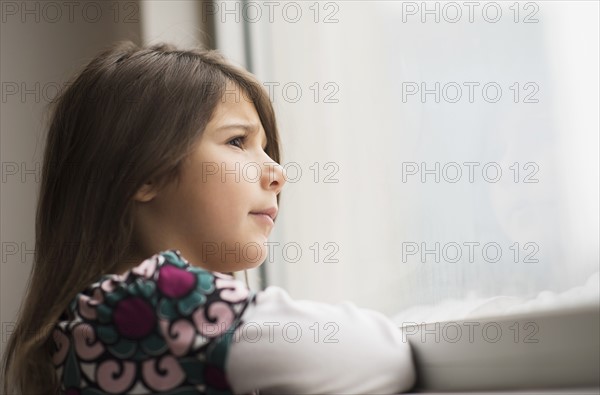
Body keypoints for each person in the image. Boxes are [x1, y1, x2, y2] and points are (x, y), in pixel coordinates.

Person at [1, 41, 416, 395]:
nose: (278, 172)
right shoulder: (148, 304)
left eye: (267, 148)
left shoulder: (86, 322)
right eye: (238, 141)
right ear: (145, 173)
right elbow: (383, 354)